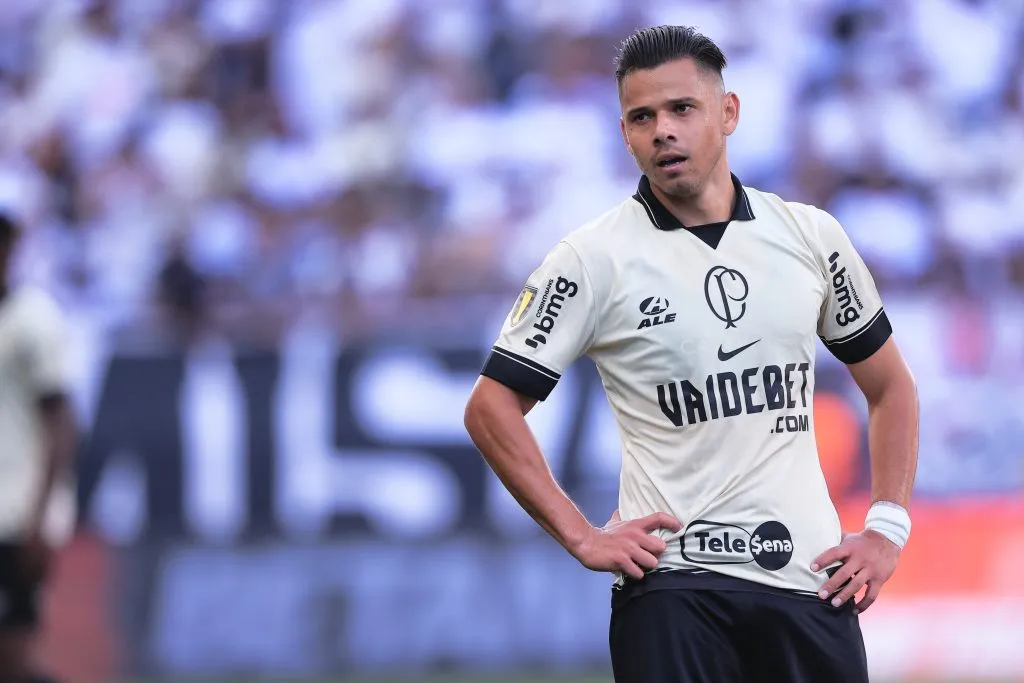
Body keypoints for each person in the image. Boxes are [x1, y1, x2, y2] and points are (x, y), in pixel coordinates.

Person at [463, 25, 919, 683]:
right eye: (642, 117)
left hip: (808, 580)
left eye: (682, 108)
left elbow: (891, 387)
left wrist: (886, 528)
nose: (663, 131)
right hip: (674, 587)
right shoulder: (592, 259)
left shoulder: (810, 236)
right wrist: (581, 534)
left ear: (728, 112)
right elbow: (490, 407)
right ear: (625, 134)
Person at [0, 214, 78, 683]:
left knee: (9, 657)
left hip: (14, 514)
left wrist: (41, 517)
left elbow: (61, 421)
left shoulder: (33, 320)